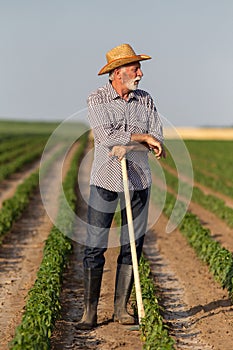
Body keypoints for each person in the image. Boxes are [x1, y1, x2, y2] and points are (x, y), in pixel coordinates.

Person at [77, 43, 165, 330]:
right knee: (95, 245)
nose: (140, 73)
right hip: (105, 180)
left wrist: (147, 141)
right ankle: (89, 313)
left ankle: (121, 309)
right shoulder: (97, 98)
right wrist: (141, 138)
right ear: (117, 73)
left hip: (139, 180)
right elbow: (105, 137)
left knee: (132, 245)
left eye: (139, 68)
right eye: (134, 69)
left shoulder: (146, 100)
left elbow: (157, 135)